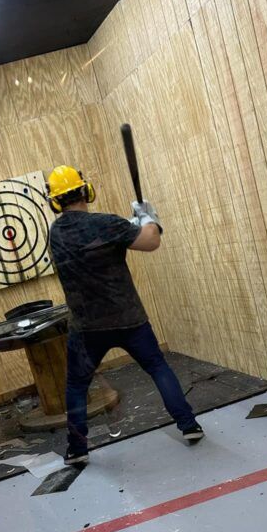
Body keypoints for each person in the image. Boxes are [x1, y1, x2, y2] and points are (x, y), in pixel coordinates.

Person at [46, 164, 204, 465]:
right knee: (158, 367)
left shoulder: (57, 233)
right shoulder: (107, 224)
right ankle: (189, 426)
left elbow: (103, 240)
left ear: (55, 201)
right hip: (129, 318)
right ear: (85, 190)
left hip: (86, 326)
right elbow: (150, 241)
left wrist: (134, 224)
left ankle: (77, 450)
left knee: (77, 386)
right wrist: (148, 218)